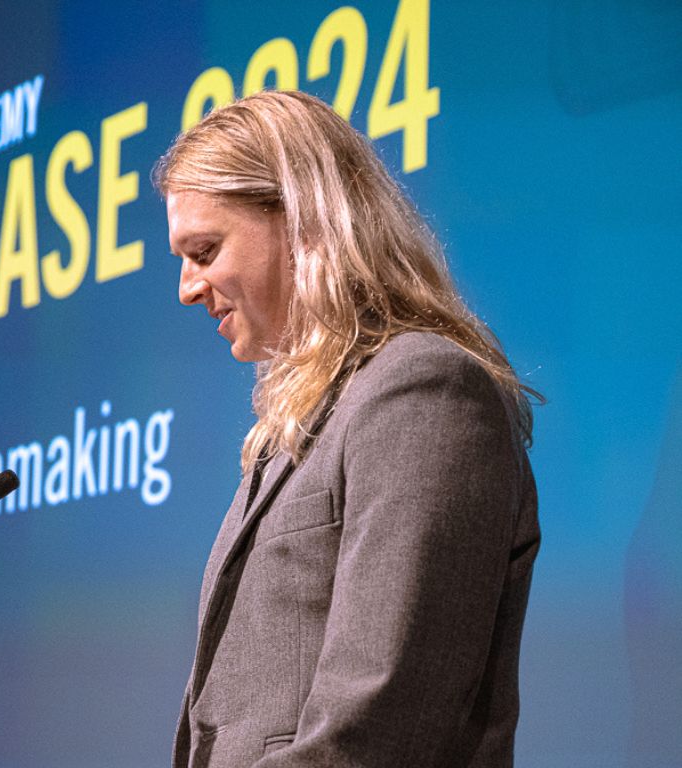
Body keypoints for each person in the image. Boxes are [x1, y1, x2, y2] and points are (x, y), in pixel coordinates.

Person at [154, 90, 541, 767]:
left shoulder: (424, 390)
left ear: (301, 218)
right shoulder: (294, 433)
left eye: (206, 250)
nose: (187, 288)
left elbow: (382, 719)